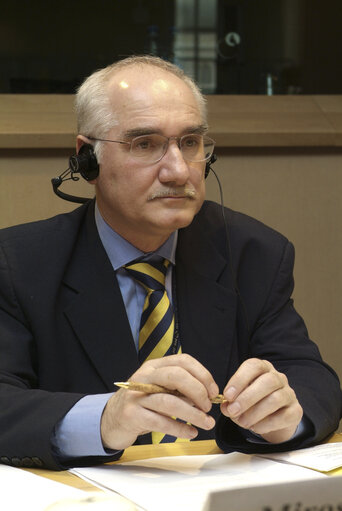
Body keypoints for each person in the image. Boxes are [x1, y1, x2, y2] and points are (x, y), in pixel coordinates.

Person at [0, 56, 341, 471]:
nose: (179, 171)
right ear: (87, 159)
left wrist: (284, 416)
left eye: (191, 143)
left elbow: (312, 377)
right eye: (145, 144)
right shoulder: (18, 263)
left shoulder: (253, 252)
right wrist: (106, 418)